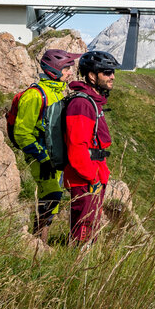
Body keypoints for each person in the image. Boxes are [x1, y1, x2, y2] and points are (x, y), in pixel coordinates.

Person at [12, 48, 81, 243]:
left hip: (55, 158)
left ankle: (41, 239)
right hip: (41, 158)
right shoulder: (34, 95)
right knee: (51, 195)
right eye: (66, 68)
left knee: (53, 198)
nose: (70, 72)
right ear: (54, 70)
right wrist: (42, 157)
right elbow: (21, 133)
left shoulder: (57, 92)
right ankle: (37, 241)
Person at [64, 50, 119, 245]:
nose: (112, 76)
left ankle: (81, 257)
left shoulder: (92, 102)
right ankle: (77, 261)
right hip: (85, 178)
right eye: (107, 72)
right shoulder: (82, 104)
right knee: (84, 229)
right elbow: (76, 147)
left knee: (90, 226)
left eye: (113, 72)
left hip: (93, 174)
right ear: (92, 76)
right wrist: (92, 178)